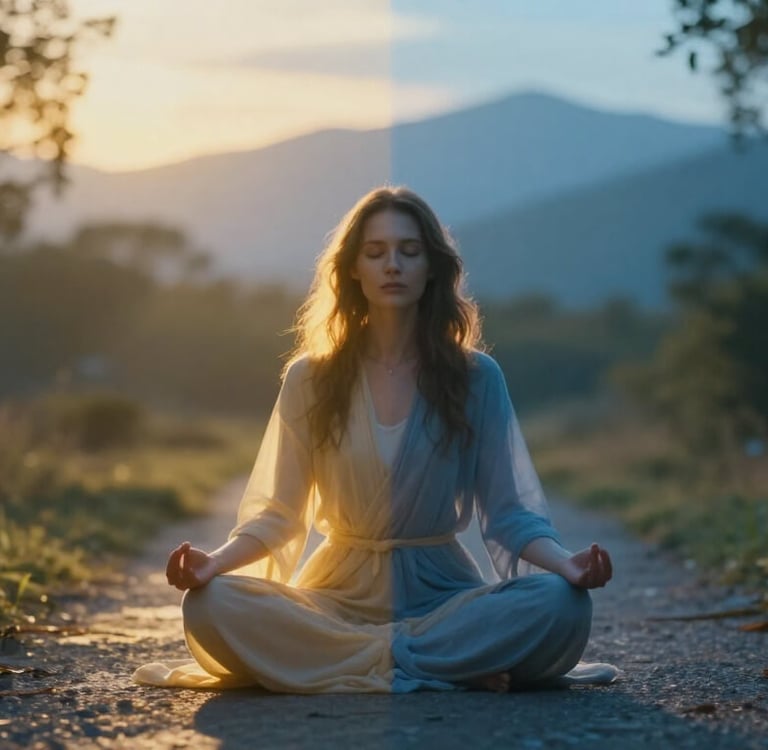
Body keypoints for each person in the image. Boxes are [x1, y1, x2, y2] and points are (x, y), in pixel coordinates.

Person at [133, 186, 617, 693]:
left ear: (432, 268)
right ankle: (441, 661)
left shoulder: (476, 377)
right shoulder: (310, 378)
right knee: (208, 604)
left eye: (409, 251)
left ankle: (365, 658)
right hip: (334, 601)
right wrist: (214, 563)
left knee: (562, 603)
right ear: (353, 269)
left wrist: (566, 564)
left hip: (444, 598)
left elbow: (510, 516)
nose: (393, 265)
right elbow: (278, 515)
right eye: (376, 252)